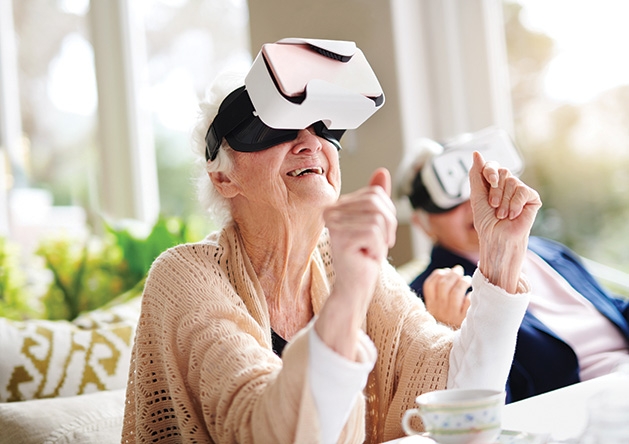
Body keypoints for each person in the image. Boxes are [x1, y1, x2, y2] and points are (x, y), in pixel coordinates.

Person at [121, 39, 542, 444]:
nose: (309, 142)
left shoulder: (348, 263)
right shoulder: (185, 276)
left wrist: (500, 259)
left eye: (323, 126)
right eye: (276, 126)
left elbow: (453, 394)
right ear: (223, 177)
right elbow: (265, 430)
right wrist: (347, 299)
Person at [398, 131, 629, 404]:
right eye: (451, 202)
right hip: (586, 404)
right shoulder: (432, 297)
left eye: (477, 190)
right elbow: (489, 405)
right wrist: (452, 336)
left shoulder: (547, 250)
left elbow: (612, 306)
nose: (473, 205)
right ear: (422, 223)